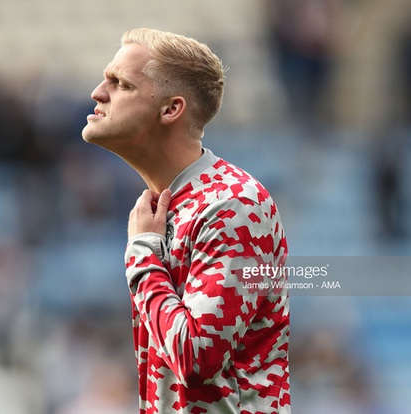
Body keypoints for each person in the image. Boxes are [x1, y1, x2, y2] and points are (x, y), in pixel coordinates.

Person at [82, 28, 290, 414]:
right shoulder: (166, 206)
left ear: (170, 109)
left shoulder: (234, 204)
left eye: (121, 83)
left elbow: (196, 360)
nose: (98, 92)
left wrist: (142, 255)